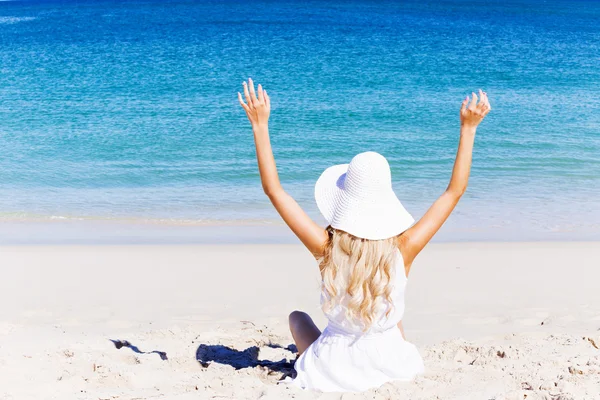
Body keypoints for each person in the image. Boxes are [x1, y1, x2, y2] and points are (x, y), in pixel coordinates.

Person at [237, 79, 491, 392]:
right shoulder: (404, 249)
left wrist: (260, 125)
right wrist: (468, 128)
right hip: (391, 362)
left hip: (332, 368)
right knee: (391, 313)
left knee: (297, 317)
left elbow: (274, 191)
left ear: (343, 202)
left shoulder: (326, 248)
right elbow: (454, 192)